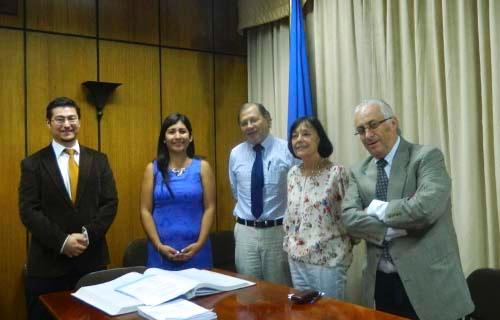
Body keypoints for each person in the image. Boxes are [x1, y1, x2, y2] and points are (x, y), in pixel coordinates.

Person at [341, 99, 474, 320]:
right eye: (361, 130)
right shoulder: (358, 171)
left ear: (393, 123)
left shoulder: (426, 158)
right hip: (382, 284)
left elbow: (424, 209)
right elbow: (348, 219)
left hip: (430, 282)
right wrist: (392, 230)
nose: (367, 135)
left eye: (373, 125)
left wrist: (377, 209)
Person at [19, 97, 118, 320]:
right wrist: (63, 242)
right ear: (48, 123)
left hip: (91, 261)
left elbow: (110, 203)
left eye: (72, 118)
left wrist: (86, 235)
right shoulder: (33, 164)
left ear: (79, 121)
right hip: (48, 266)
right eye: (59, 119)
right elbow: (28, 210)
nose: (67, 124)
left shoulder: (99, 160)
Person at [283, 116, 353, 299]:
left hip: (327, 260)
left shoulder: (336, 173)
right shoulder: (292, 174)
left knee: (329, 315)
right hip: (297, 260)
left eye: (306, 134)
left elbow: (352, 215)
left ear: (319, 139)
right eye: (294, 135)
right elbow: (291, 217)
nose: (299, 139)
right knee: (304, 315)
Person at [229, 102, 297, 285]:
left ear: (267, 119)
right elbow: (236, 192)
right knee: (247, 293)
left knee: (279, 293)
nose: (249, 126)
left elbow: (296, 192)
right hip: (245, 233)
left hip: (277, 232)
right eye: (244, 123)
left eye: (254, 120)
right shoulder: (235, 154)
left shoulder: (287, 150)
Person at [140, 112, 215, 270]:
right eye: (171, 131)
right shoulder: (152, 169)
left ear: (190, 137)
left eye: (182, 131)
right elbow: (145, 211)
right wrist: (159, 246)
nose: (177, 136)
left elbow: (210, 208)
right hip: (160, 252)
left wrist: (199, 244)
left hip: (197, 251)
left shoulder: (203, 167)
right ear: (164, 139)